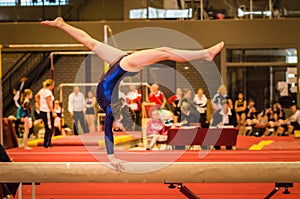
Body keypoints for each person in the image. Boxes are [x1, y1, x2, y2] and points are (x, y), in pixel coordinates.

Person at [41, 17, 224, 171]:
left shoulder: (112, 110)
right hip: (122, 66)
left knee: (164, 51)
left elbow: (107, 133)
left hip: (121, 65)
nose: (116, 126)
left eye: (119, 125)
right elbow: (110, 129)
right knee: (162, 51)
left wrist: (111, 158)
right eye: (120, 125)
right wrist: (111, 156)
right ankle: (62, 24)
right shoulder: (115, 107)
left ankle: (205, 54)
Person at [35, 79, 55, 148]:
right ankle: (47, 143)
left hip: (42, 110)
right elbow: (49, 103)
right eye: (53, 86)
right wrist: (53, 112)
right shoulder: (48, 92)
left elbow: (36, 96)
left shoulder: (42, 90)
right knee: (49, 128)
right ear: (51, 85)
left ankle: (47, 143)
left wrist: (39, 105)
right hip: (47, 111)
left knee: (48, 127)